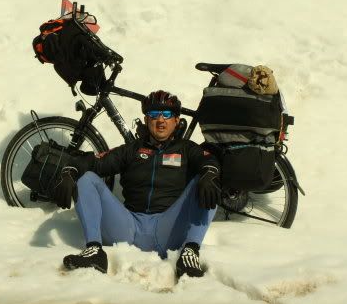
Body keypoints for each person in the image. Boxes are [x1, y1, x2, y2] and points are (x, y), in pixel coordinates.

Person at [53, 90, 222, 278]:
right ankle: (94, 251)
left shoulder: (187, 149)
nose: (160, 120)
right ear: (146, 119)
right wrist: (69, 172)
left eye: (166, 115)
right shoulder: (132, 149)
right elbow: (95, 162)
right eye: (154, 114)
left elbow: (209, 161)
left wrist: (210, 174)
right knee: (86, 179)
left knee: (208, 179)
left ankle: (190, 252)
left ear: (176, 120)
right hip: (128, 228)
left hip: (169, 229)